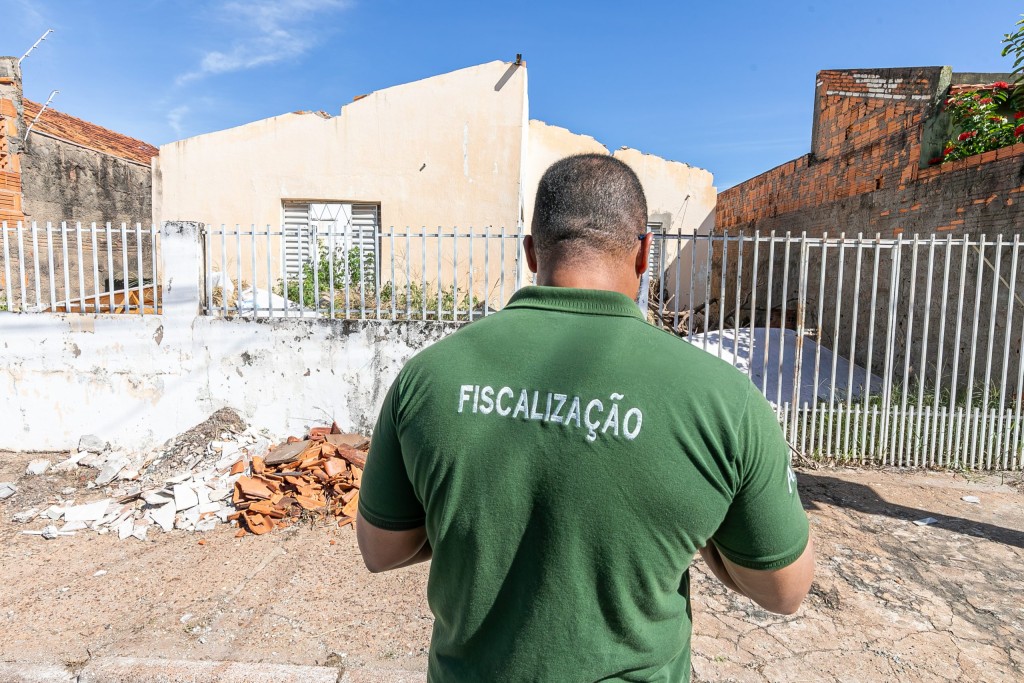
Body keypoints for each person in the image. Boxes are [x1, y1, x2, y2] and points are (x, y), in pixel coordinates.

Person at [356, 153, 814, 682]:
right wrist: (705, 536)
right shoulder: (724, 401)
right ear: (645, 252)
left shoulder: (428, 376)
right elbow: (785, 590)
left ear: (531, 253)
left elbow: (381, 549)